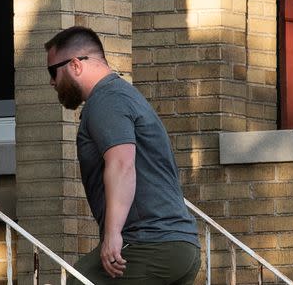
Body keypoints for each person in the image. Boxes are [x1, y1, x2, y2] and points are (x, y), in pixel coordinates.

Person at [45, 26, 201, 285]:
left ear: (75, 65)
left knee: (79, 280)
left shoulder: (106, 101)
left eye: (53, 71)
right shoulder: (125, 96)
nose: (51, 81)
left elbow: (122, 164)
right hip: (178, 246)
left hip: (148, 244)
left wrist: (114, 234)